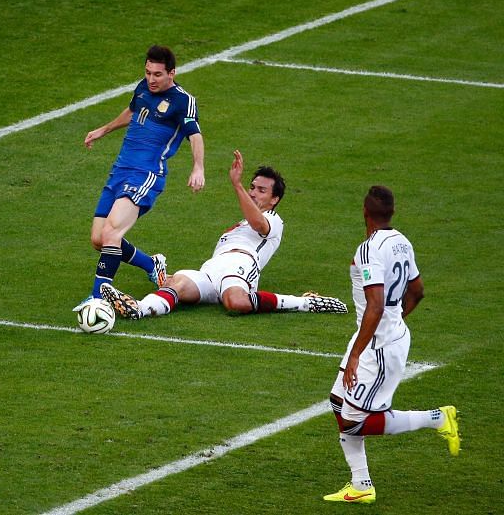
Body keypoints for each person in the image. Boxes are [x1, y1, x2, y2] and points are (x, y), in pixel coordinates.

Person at [323, 185, 459, 504]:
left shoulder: (369, 250)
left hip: (377, 345)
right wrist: (397, 323)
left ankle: (437, 418)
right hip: (377, 336)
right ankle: (361, 484)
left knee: (354, 424)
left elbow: (375, 305)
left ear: (364, 212)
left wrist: (358, 354)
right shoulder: (402, 242)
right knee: (337, 402)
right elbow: (418, 291)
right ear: (392, 213)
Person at [100, 149, 347, 319]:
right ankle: (138, 309)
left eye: (261, 190)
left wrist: (237, 185)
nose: (253, 193)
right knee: (179, 284)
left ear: (274, 199)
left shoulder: (274, 221)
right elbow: (249, 217)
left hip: (239, 269)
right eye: (252, 187)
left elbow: (258, 223)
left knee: (236, 303)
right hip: (211, 270)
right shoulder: (237, 226)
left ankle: (305, 302)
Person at [74, 45, 205, 312]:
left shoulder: (183, 100)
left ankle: (98, 299)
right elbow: (133, 111)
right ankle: (151, 264)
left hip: (146, 174)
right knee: (99, 239)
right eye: (147, 73)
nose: (151, 79)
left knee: (112, 232)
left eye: (157, 74)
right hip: (120, 170)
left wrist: (198, 167)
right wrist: (104, 129)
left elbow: (195, 135)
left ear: (172, 73)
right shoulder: (143, 88)